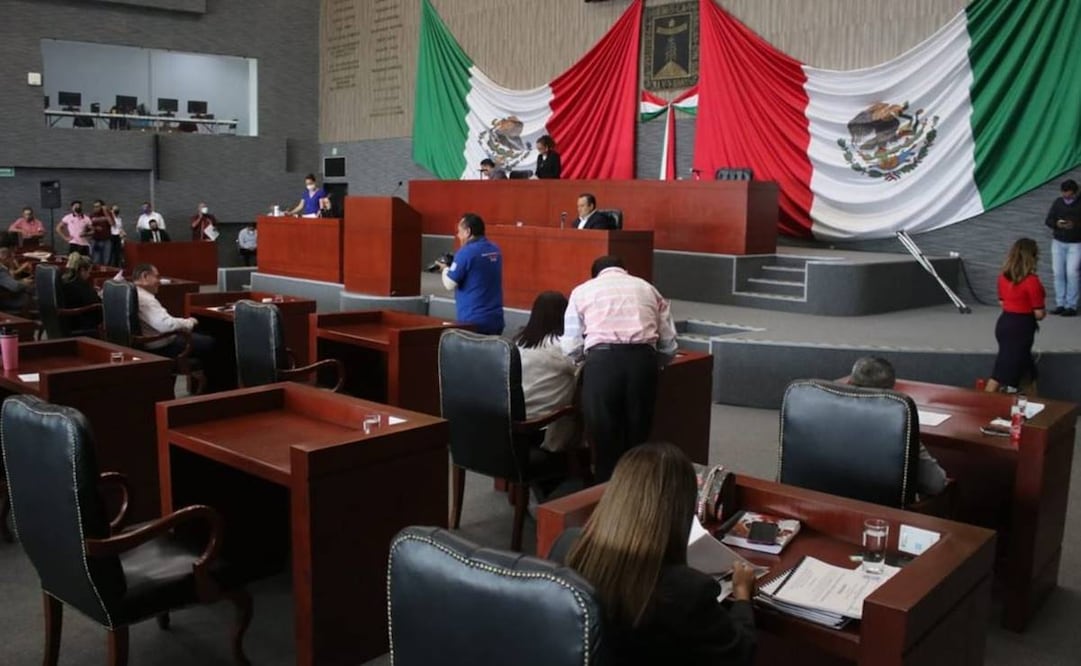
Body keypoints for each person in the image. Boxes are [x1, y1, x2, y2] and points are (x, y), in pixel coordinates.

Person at [555, 443, 756, 666]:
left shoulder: (568, 546)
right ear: (681, 510)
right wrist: (742, 596)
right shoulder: (688, 590)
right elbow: (740, 654)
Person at [561, 256, 677, 481]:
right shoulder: (648, 289)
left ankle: (606, 491)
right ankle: (636, 490)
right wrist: (654, 363)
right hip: (642, 363)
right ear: (625, 270)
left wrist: (587, 361)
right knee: (638, 437)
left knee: (604, 438)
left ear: (595, 274)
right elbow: (669, 344)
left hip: (602, 363)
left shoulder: (582, 291)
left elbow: (571, 345)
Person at [848, 356, 948, 497]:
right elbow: (935, 483)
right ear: (891, 391)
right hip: (884, 506)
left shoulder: (822, 412)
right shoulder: (898, 428)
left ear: (849, 383)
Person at [515, 291, 579, 452]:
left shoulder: (518, 342)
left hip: (515, 422)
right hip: (545, 428)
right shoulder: (564, 348)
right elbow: (583, 373)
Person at [132, 263, 216, 379]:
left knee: (200, 335)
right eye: (157, 277)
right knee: (211, 342)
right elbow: (166, 325)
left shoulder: (133, 292)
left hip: (147, 342)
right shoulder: (145, 299)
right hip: (161, 346)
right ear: (145, 276)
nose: (159, 281)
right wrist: (190, 322)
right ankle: (216, 386)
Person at [986, 238, 1046, 393]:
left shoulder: (1003, 277)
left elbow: (1002, 302)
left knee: (1027, 371)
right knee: (1002, 371)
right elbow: (1039, 313)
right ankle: (984, 400)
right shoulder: (1032, 281)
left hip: (1005, 322)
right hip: (1021, 327)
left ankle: (1033, 400)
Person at [436, 213, 504, 335]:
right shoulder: (495, 249)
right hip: (496, 320)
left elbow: (449, 284)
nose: (458, 235)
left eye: (459, 231)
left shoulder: (465, 252)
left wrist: (445, 269)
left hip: (472, 322)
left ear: (468, 232)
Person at [1044, 179, 1081, 316]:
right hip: (1058, 242)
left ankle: (1071, 305)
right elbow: (1048, 220)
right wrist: (1057, 224)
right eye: (1064, 194)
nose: (1066, 196)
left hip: (1076, 243)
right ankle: (1060, 303)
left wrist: (1074, 225)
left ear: (1075, 193)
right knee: (1058, 273)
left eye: (1069, 195)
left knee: (1072, 273)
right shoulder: (1058, 202)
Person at [59, 253, 102, 334]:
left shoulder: (65, 280)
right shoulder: (80, 284)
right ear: (82, 270)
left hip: (65, 322)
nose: (89, 275)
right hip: (80, 324)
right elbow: (94, 302)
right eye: (89, 272)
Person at [0, 245, 31, 313]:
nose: (13, 260)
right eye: (12, 258)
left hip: (6, 296)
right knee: (30, 293)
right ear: (5, 258)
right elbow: (15, 287)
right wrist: (25, 283)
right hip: (5, 301)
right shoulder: (1, 270)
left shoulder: (4, 268)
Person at [88, 199, 114, 266]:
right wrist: (95, 228)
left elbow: (112, 224)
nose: (95, 208)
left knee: (106, 260)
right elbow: (88, 226)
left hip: (106, 240)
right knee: (96, 260)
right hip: (96, 240)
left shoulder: (108, 214)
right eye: (94, 206)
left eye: (97, 206)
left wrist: (106, 212)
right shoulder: (92, 215)